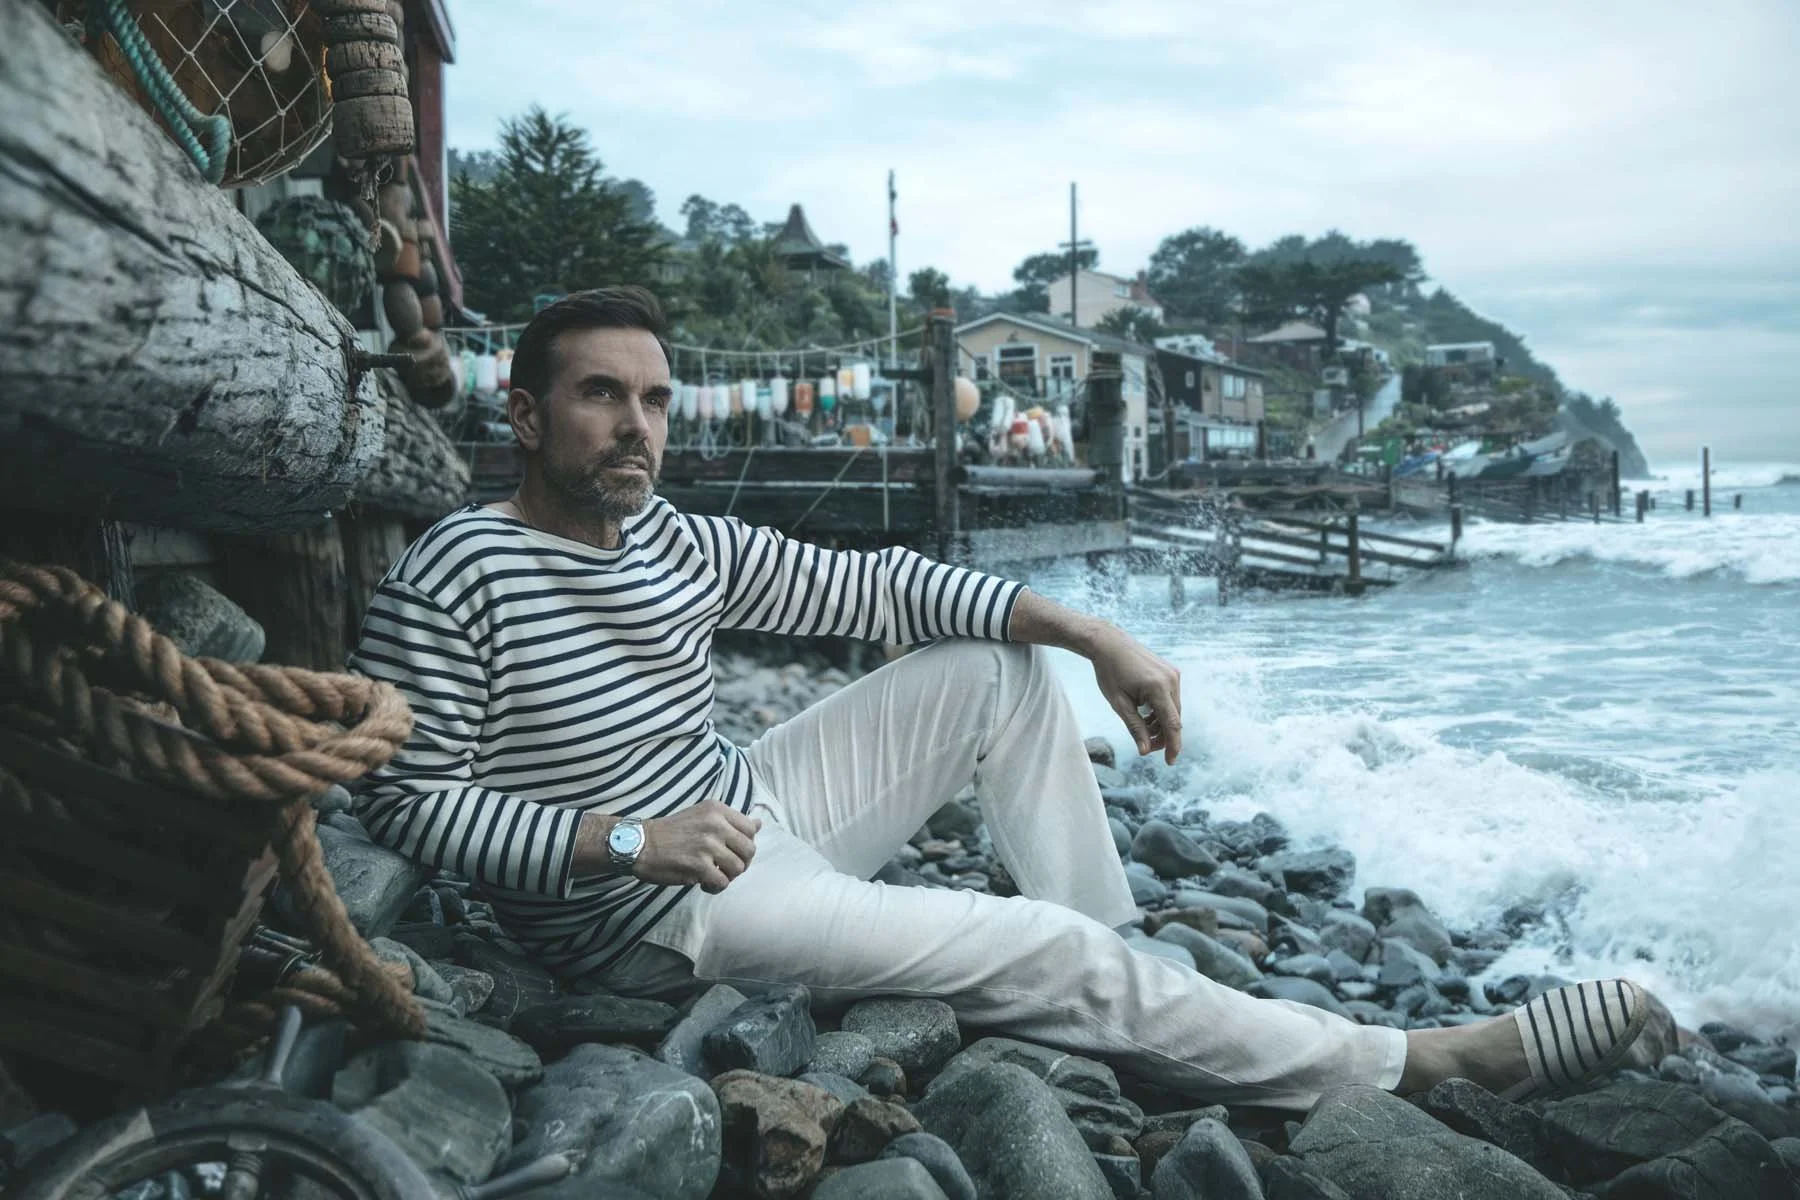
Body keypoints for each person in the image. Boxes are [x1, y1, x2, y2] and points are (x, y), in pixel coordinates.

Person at [349, 287, 1673, 1110]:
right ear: (524, 415)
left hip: (747, 808)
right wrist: (630, 842)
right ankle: (1413, 1063)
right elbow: (406, 805)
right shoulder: (455, 568)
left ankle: (1121, 948)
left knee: (998, 662)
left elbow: (880, 590)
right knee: (1026, 954)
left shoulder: (672, 539)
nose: (637, 426)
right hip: (660, 911)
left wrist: (1098, 634)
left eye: (652, 399)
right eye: (600, 397)